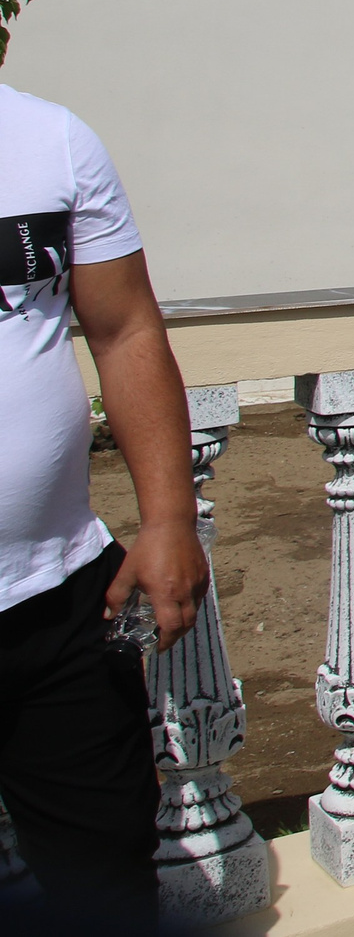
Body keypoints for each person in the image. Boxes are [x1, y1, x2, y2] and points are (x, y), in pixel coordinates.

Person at [0, 85, 208, 934]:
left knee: (107, 891)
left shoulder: (52, 142)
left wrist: (167, 518)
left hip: (57, 605)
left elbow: (123, 328)